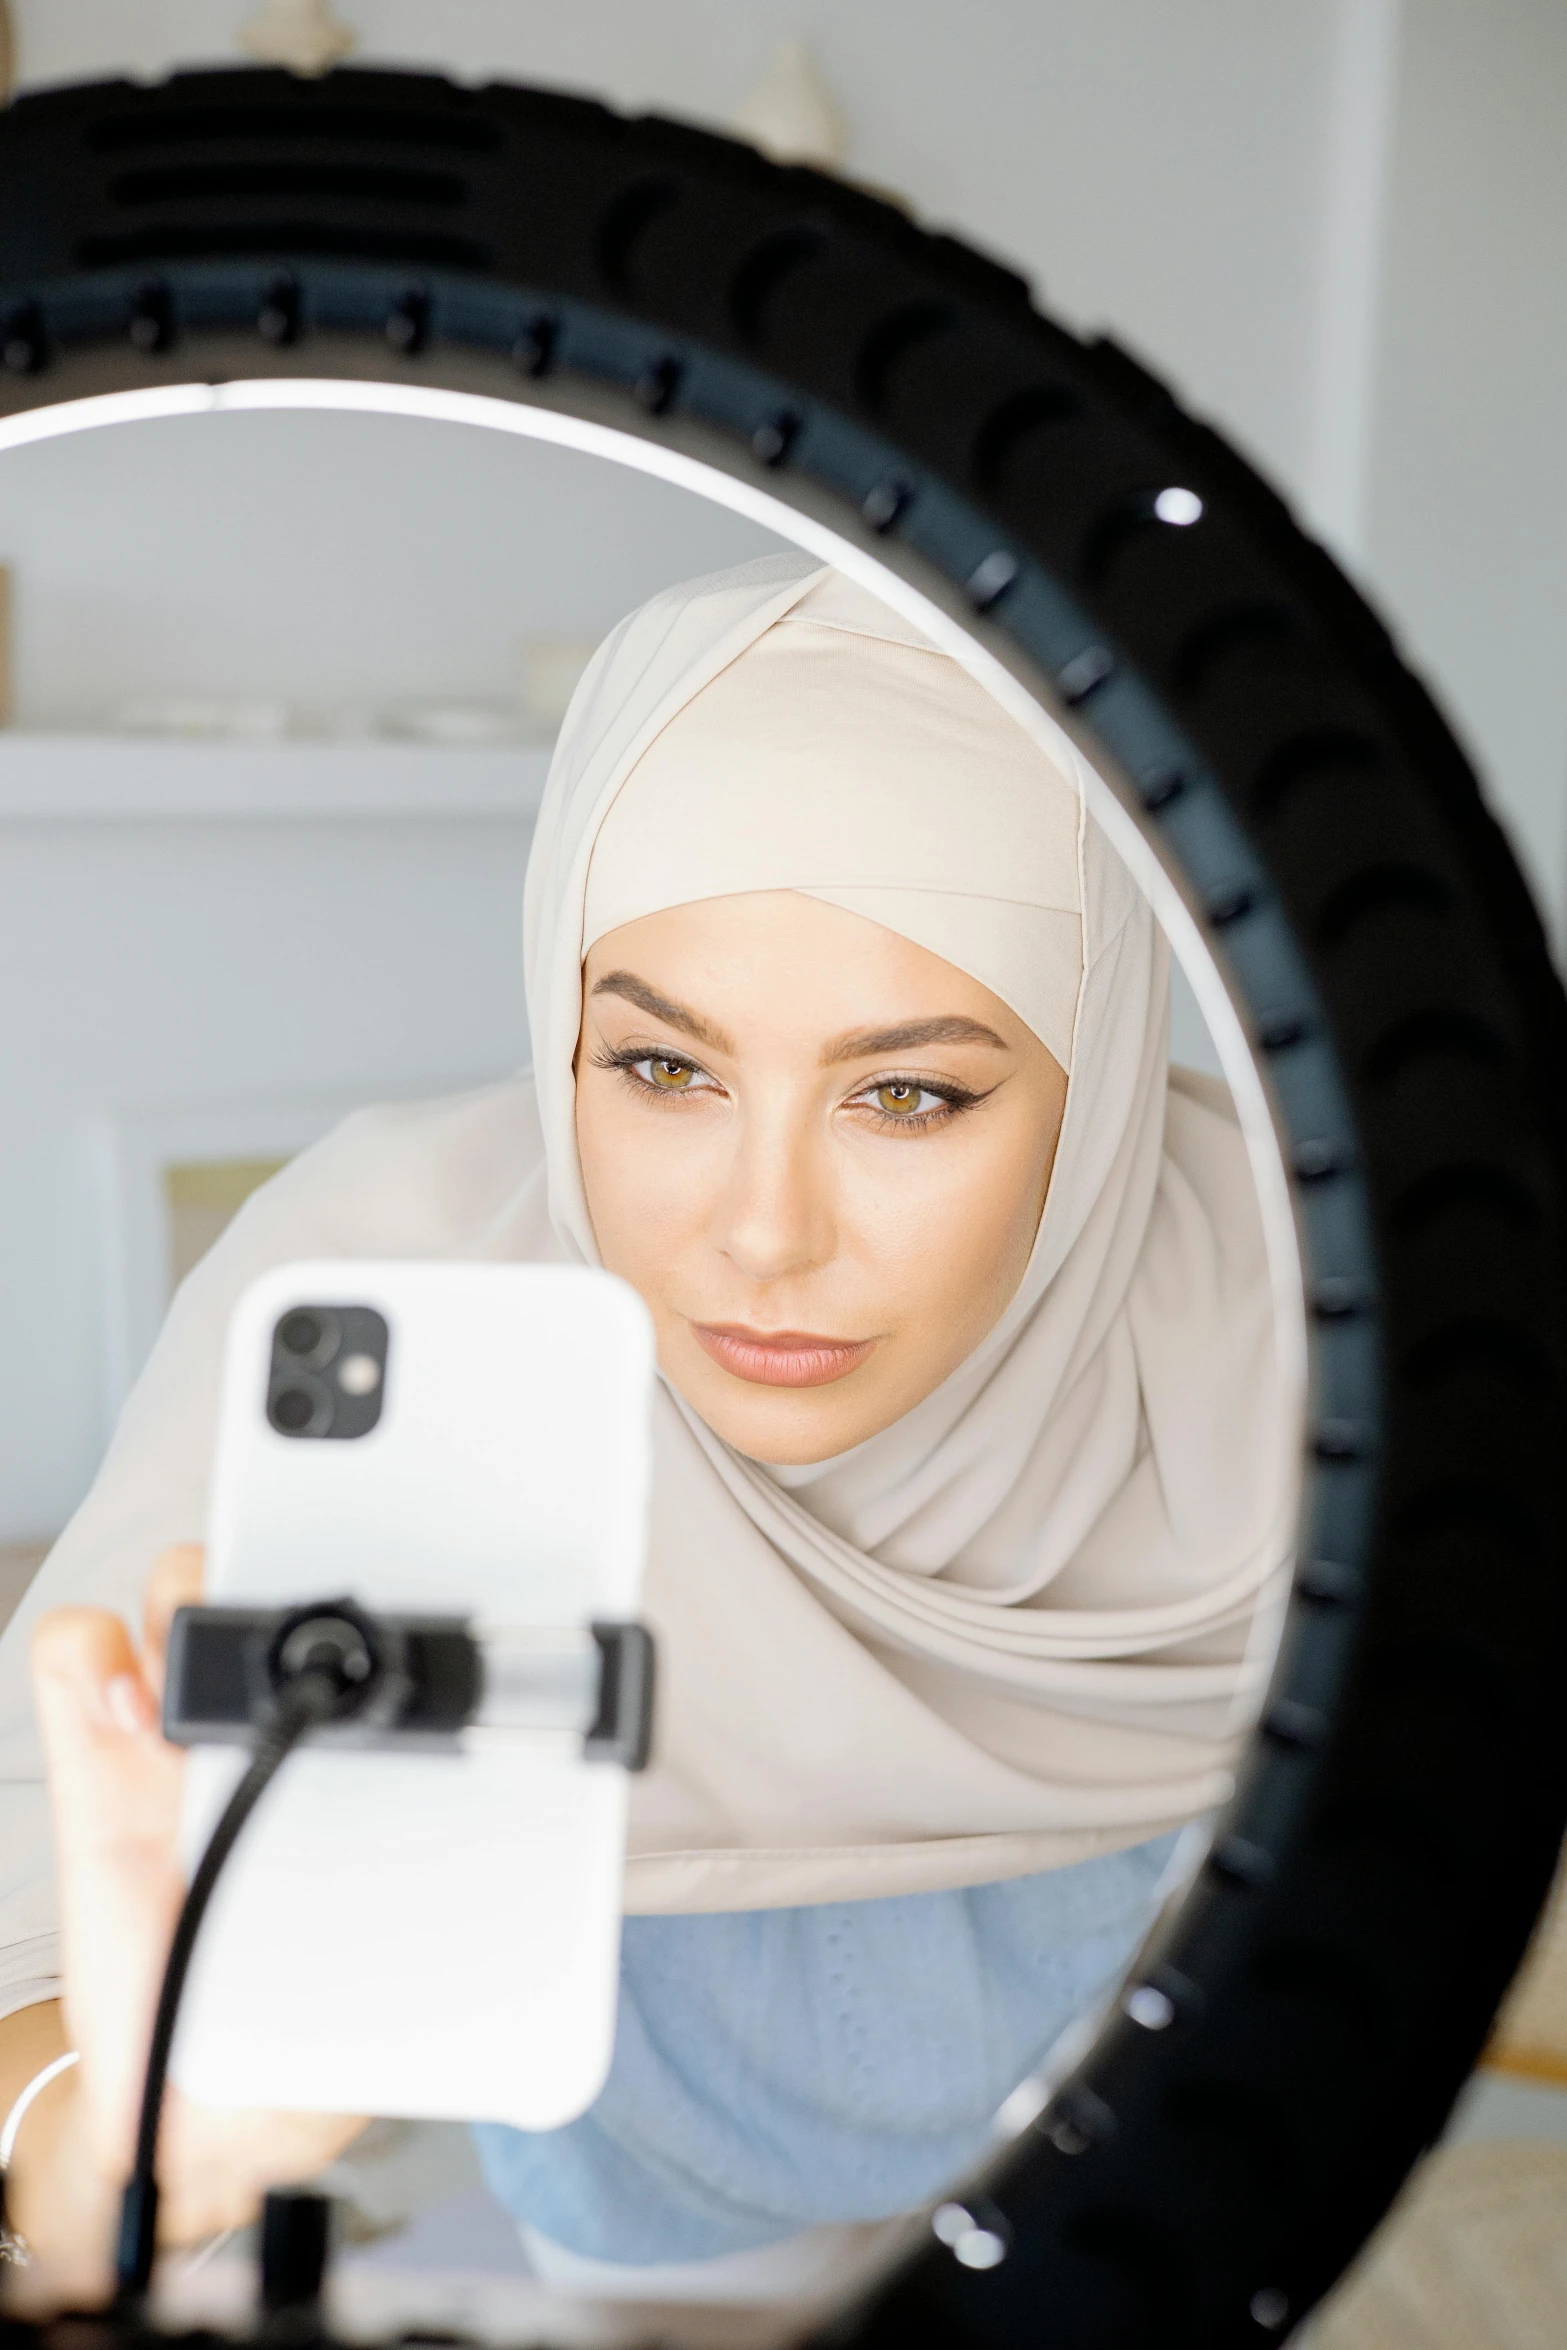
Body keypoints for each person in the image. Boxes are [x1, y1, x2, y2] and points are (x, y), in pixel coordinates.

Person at [0, 554, 1290, 2292]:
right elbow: (40, 2025)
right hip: (636, 2241)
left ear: (1104, 1077)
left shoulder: (1298, 1320)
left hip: (1162, 2203)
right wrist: (131, 2147)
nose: (762, 1233)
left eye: (906, 1092)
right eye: (663, 1068)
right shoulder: (388, 1276)